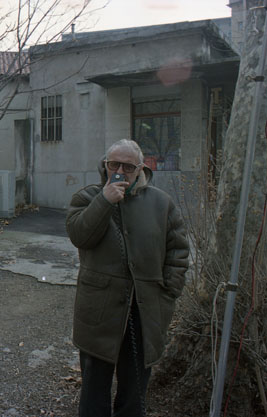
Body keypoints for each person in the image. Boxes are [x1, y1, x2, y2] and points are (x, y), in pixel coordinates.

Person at [66, 139, 189, 417]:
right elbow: (80, 236)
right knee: (94, 391)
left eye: (128, 167)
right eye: (114, 165)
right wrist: (105, 201)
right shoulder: (87, 198)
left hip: (146, 311)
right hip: (100, 310)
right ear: (105, 165)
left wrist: (169, 292)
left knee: (134, 392)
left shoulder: (161, 203)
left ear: (140, 169)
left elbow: (178, 250)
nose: (120, 171)